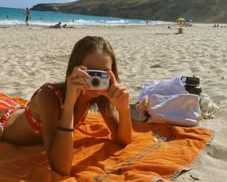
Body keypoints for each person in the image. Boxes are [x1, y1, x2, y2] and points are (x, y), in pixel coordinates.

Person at [0, 36, 132, 175]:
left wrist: (124, 109)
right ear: (75, 70)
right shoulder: (49, 97)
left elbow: (122, 140)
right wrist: (69, 103)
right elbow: (61, 168)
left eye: (103, 74)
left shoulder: (97, 96)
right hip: (6, 126)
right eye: (91, 73)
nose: (96, 80)